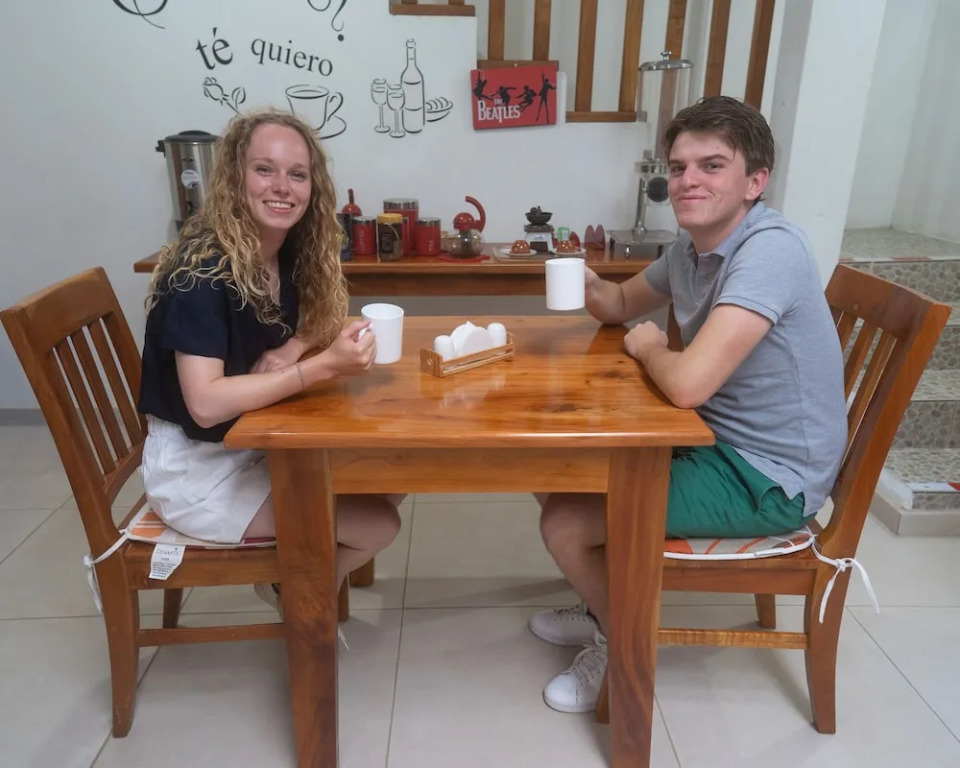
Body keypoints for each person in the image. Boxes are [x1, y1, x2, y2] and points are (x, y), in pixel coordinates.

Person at [529, 96, 847, 714]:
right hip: (713, 442)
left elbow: (687, 386)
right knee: (554, 464)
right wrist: (589, 283)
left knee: (565, 521)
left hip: (768, 477)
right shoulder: (692, 249)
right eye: (678, 168)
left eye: (711, 165)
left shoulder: (769, 251)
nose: (687, 181)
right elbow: (621, 305)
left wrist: (651, 346)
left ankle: (620, 638)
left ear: (755, 182)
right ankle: (601, 599)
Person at [139, 109, 402, 610]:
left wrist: (292, 349)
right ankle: (298, 599)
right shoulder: (202, 273)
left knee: (390, 474)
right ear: (234, 176)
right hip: (198, 470)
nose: (282, 187)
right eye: (265, 169)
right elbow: (205, 405)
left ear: (312, 187)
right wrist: (319, 367)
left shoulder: (282, 247)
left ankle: (297, 581)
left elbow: (322, 317)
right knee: (378, 523)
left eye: (297, 174)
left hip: (253, 439)